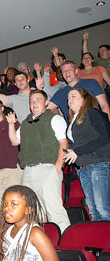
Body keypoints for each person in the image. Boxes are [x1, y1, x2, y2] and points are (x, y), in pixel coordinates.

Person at [8, 90, 70, 232]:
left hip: (47, 168)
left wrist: (57, 168)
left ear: (46, 102)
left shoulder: (54, 119)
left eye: (38, 100)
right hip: (28, 171)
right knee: (33, 213)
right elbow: (14, 141)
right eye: (31, 101)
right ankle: (41, 244)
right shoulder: (25, 122)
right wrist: (11, 124)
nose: (34, 103)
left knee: (54, 209)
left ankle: (64, 242)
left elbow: (64, 143)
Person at [64, 88, 110, 221]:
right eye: (68, 98)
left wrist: (77, 151)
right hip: (83, 168)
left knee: (103, 209)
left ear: (84, 100)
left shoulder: (93, 113)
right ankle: (99, 241)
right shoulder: (73, 120)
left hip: (99, 164)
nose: (69, 100)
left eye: (73, 96)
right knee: (93, 210)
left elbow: (105, 136)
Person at [0, 185, 58, 261]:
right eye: (5, 203)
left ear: (28, 210)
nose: (6, 208)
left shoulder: (35, 233)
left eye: (13, 204)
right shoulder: (6, 233)